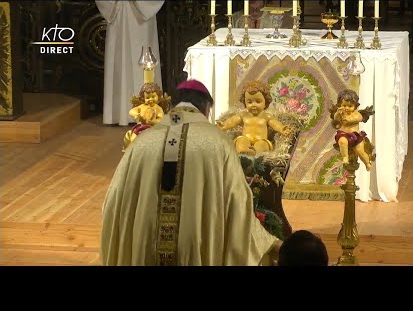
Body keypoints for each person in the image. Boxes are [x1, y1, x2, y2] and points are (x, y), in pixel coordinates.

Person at [101, 79, 282, 265]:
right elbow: (238, 203)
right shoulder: (218, 142)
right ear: (206, 110)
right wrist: (267, 243)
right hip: (197, 245)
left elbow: (114, 201)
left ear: (171, 107)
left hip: (145, 243)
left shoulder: (142, 142)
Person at [95, 0, 165, 126]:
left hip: (141, 17)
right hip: (119, 12)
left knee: (143, 55)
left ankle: (149, 111)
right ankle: (118, 113)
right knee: (119, 58)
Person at [216, 80, 292, 156]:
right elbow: (233, 121)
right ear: (245, 103)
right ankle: (243, 154)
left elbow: (275, 124)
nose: (253, 105)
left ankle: (254, 154)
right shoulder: (243, 115)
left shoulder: (266, 116)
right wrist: (224, 125)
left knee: (262, 145)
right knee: (241, 140)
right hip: (246, 140)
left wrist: (282, 129)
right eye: (249, 102)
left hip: (261, 140)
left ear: (265, 102)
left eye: (258, 101)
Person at [330, 89, 373, 171]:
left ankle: (367, 163)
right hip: (343, 134)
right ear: (340, 105)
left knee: (360, 151)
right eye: (344, 105)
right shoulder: (340, 113)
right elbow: (336, 119)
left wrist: (347, 119)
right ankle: (345, 157)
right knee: (342, 141)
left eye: (350, 106)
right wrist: (338, 113)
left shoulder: (357, 114)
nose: (347, 108)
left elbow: (356, 119)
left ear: (355, 106)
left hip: (355, 136)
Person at [123, 82, 165, 151]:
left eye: (153, 96)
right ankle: (133, 150)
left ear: (158, 96)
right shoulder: (142, 107)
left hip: (152, 128)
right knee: (134, 137)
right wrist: (137, 114)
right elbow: (131, 111)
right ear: (143, 98)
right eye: (147, 98)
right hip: (141, 127)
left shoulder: (158, 108)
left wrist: (153, 121)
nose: (150, 99)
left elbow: (161, 119)